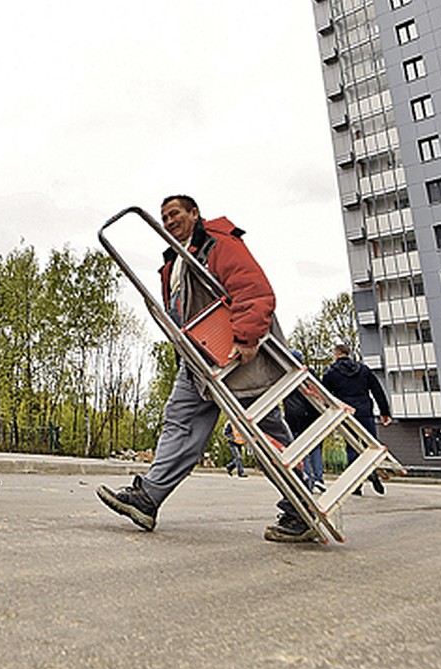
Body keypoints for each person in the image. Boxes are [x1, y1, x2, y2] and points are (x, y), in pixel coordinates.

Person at [97, 195, 316, 543]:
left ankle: (301, 507)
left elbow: (254, 290)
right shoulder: (173, 261)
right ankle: (148, 499)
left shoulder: (219, 244)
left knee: (266, 433)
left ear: (194, 213)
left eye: (175, 214)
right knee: (179, 423)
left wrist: (246, 337)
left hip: (239, 359)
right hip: (199, 363)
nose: (169, 221)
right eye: (164, 217)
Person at [322, 342, 392, 494]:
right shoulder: (363, 370)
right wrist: (385, 412)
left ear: (336, 355)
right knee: (371, 446)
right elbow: (377, 391)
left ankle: (356, 485)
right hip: (366, 412)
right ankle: (372, 472)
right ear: (349, 354)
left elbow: (324, 395)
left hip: (347, 414)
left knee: (352, 448)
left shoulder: (331, 373)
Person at [283, 351, 323, 493]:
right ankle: (319, 478)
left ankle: (308, 479)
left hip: (294, 415)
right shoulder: (309, 373)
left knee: (300, 449)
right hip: (311, 414)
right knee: (315, 447)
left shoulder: (285, 374)